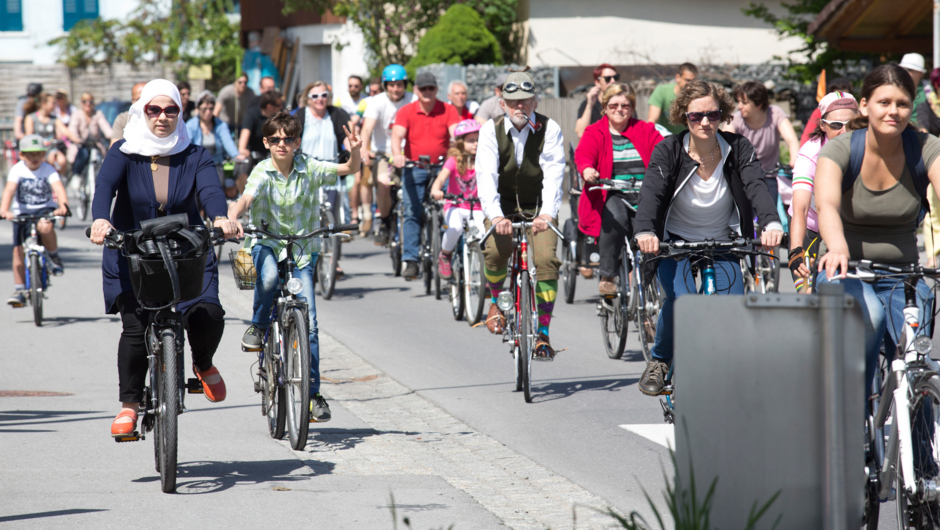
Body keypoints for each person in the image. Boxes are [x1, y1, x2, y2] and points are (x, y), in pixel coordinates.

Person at [88, 79, 240, 438]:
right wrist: (100, 219)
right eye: (154, 109)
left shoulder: (195, 153)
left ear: (179, 112)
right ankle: (130, 404)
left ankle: (202, 363)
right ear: (142, 111)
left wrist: (220, 217)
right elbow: (104, 188)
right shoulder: (123, 151)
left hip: (184, 248)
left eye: (170, 109)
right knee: (136, 330)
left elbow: (211, 190)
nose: (162, 117)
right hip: (133, 250)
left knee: (208, 313)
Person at [633, 80, 783, 396]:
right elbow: (652, 194)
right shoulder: (669, 150)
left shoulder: (738, 148)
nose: (705, 122)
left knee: (733, 306)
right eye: (696, 116)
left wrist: (770, 223)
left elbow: (757, 186)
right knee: (683, 301)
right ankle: (660, 360)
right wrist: (646, 231)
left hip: (722, 240)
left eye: (712, 115)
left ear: (722, 115)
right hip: (675, 242)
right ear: (683, 116)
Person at [228, 111, 363, 423]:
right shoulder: (262, 170)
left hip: (302, 250)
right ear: (266, 142)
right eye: (275, 140)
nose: (282, 144)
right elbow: (246, 198)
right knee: (269, 276)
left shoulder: (309, 167)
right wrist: (233, 217)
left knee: (311, 323)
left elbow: (349, 168)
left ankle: (313, 394)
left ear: (297, 141)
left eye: (288, 139)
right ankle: (260, 326)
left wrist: (355, 150)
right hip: (267, 243)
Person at [815, 64, 940, 397]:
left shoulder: (925, 147)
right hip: (846, 270)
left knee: (918, 350)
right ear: (865, 105)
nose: (893, 111)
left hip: (904, 275)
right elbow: (825, 205)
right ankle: (858, 406)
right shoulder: (840, 150)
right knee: (868, 315)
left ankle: (921, 436)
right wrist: (838, 247)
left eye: (901, 103)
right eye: (884, 102)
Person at [476, 68, 566, 358]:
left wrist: (548, 214)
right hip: (501, 209)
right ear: (502, 104)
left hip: (538, 209)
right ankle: (495, 301)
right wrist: (496, 216)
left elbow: (554, 173)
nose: (520, 106)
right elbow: (485, 177)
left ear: (535, 102)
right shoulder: (490, 130)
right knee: (494, 251)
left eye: (526, 100)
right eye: (513, 101)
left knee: (546, 260)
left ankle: (542, 332)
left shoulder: (550, 129)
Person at [575, 83, 663, 296]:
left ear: (632, 108)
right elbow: (584, 154)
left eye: (625, 105)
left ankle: (649, 293)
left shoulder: (645, 129)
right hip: (611, 192)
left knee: (652, 234)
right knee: (616, 218)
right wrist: (587, 169)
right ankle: (607, 275)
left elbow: (663, 151)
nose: (619, 109)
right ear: (604, 107)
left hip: (644, 194)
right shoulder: (595, 131)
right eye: (613, 105)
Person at [390, 70, 460, 279]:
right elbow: (397, 135)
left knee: (452, 209)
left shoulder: (448, 110)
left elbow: (455, 133)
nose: (427, 92)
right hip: (414, 167)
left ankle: (451, 257)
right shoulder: (406, 111)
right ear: (416, 90)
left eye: (431, 88)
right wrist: (397, 154)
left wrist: (458, 146)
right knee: (412, 211)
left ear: (437, 90)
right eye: (423, 89)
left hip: (442, 168)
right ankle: (411, 260)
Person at [787, 91, 858, 293]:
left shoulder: (869, 146)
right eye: (836, 125)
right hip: (811, 228)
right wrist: (795, 249)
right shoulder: (810, 153)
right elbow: (800, 207)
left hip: (847, 228)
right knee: (809, 295)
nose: (844, 131)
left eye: (851, 124)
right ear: (823, 125)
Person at [0, 134, 69, 306]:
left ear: (44, 154)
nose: (35, 157)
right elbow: (9, 191)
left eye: (38, 153)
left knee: (45, 227)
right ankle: (20, 289)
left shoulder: (48, 169)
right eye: (30, 154)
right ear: (21, 155)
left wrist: (63, 206)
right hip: (22, 212)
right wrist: (4, 210)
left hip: (43, 208)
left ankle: (53, 256)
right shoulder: (17, 170)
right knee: (18, 250)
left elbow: (59, 189)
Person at [296, 80, 355, 272]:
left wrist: (352, 149)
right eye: (315, 96)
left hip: (330, 172)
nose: (320, 99)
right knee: (304, 219)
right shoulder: (300, 115)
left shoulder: (337, 114)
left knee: (331, 217)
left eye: (323, 95)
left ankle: (333, 260)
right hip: (306, 173)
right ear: (308, 99)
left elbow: (345, 137)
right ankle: (302, 258)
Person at [359, 64, 416, 245]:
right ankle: (384, 222)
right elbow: (367, 128)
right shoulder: (377, 102)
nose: (395, 89)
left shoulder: (414, 100)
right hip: (383, 153)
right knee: (383, 182)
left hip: (409, 153)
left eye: (399, 84)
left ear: (404, 84)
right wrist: (364, 150)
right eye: (391, 85)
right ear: (385, 86)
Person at [729, 81, 801, 204]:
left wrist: (794, 160)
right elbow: (726, 142)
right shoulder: (736, 119)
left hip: (768, 176)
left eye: (744, 103)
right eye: (738, 102)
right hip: (743, 177)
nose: (739, 106)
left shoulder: (775, 113)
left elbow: (792, 140)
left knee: (769, 214)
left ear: (759, 104)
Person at [429, 119, 484, 279]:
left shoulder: (486, 159)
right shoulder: (453, 160)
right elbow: (440, 178)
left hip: (478, 207)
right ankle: (445, 255)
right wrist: (436, 189)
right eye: (471, 140)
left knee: (485, 235)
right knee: (455, 228)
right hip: (455, 205)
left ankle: (486, 276)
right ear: (461, 143)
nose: (476, 143)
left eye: (478, 139)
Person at [233, 90, 284, 197]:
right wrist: (243, 149)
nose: (281, 107)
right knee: (242, 165)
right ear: (269, 106)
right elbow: (244, 135)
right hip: (253, 152)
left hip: (272, 151)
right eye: (279, 105)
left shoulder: (279, 116)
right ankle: (246, 198)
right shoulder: (252, 114)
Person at [186, 90, 239, 183]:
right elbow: (186, 145)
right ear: (198, 109)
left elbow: (228, 142)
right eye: (204, 109)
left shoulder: (221, 124)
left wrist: (236, 156)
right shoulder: (191, 125)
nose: (208, 112)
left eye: (211, 108)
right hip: (196, 165)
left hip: (217, 165)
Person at [67, 92, 113, 181]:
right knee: (83, 154)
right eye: (85, 102)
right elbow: (72, 129)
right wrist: (76, 139)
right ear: (81, 103)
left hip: (95, 144)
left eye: (90, 101)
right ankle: (77, 176)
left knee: (102, 160)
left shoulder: (97, 114)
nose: (88, 104)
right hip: (81, 145)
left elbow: (105, 127)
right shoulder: (77, 114)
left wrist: (112, 136)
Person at [24, 93, 70, 174]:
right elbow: (29, 136)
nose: (55, 105)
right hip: (37, 149)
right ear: (44, 104)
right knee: (44, 161)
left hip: (51, 148)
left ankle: (61, 179)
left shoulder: (54, 119)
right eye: (53, 103)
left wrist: (76, 139)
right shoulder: (31, 118)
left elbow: (65, 131)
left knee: (62, 160)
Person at [647, 63, 698, 135]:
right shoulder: (662, 91)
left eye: (693, 81)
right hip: (664, 139)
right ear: (678, 77)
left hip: (687, 139)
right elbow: (652, 121)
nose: (691, 84)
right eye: (687, 80)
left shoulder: (697, 97)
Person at [800, 77, 853, 146]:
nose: (841, 103)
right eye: (835, 124)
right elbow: (806, 138)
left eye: (845, 98)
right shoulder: (820, 112)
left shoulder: (858, 112)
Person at [575, 63, 619, 138]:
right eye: (608, 78)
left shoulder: (625, 104)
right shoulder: (588, 104)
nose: (613, 81)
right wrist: (589, 106)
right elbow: (581, 133)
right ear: (597, 82)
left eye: (616, 77)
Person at [111, 82, 146, 146]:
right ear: (132, 100)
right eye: (139, 99)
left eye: (146, 99)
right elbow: (114, 148)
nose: (142, 103)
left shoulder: (159, 118)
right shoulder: (123, 119)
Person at [900, 53, 927, 128]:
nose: (904, 72)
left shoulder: (930, 91)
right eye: (902, 69)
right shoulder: (894, 88)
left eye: (909, 70)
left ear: (920, 73)